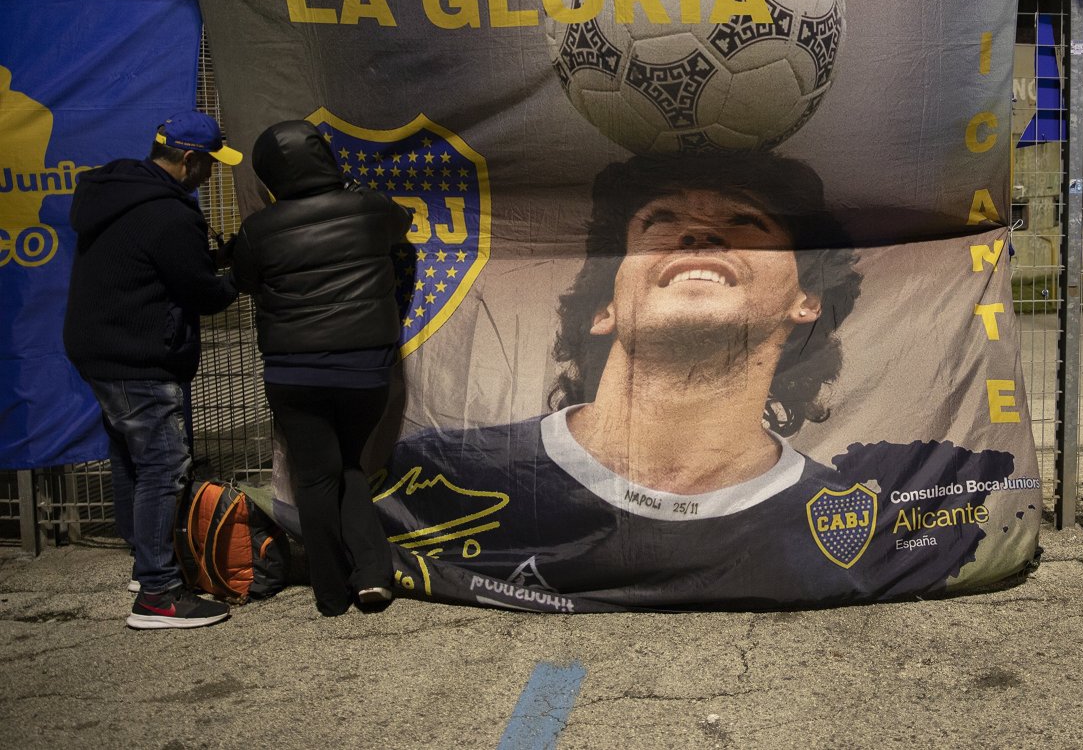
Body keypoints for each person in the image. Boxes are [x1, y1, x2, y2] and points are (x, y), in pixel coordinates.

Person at [379, 153, 1019, 610]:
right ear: (604, 309)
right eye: (658, 221)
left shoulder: (848, 522)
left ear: (805, 302)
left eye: (746, 222)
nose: (698, 232)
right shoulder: (435, 474)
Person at [63, 110, 242, 629]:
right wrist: (241, 278)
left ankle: (146, 570)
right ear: (189, 160)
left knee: (131, 458)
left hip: (100, 349)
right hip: (138, 355)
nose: (212, 173)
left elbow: (154, 264)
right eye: (210, 164)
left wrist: (213, 258)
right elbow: (202, 293)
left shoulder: (118, 192)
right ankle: (159, 596)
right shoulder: (170, 213)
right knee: (164, 464)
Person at [230, 120, 415, 617]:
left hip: (294, 373)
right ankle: (373, 576)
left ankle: (331, 593)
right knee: (351, 463)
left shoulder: (257, 229)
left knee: (316, 477)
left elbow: (243, 281)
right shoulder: (368, 207)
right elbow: (403, 226)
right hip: (365, 370)